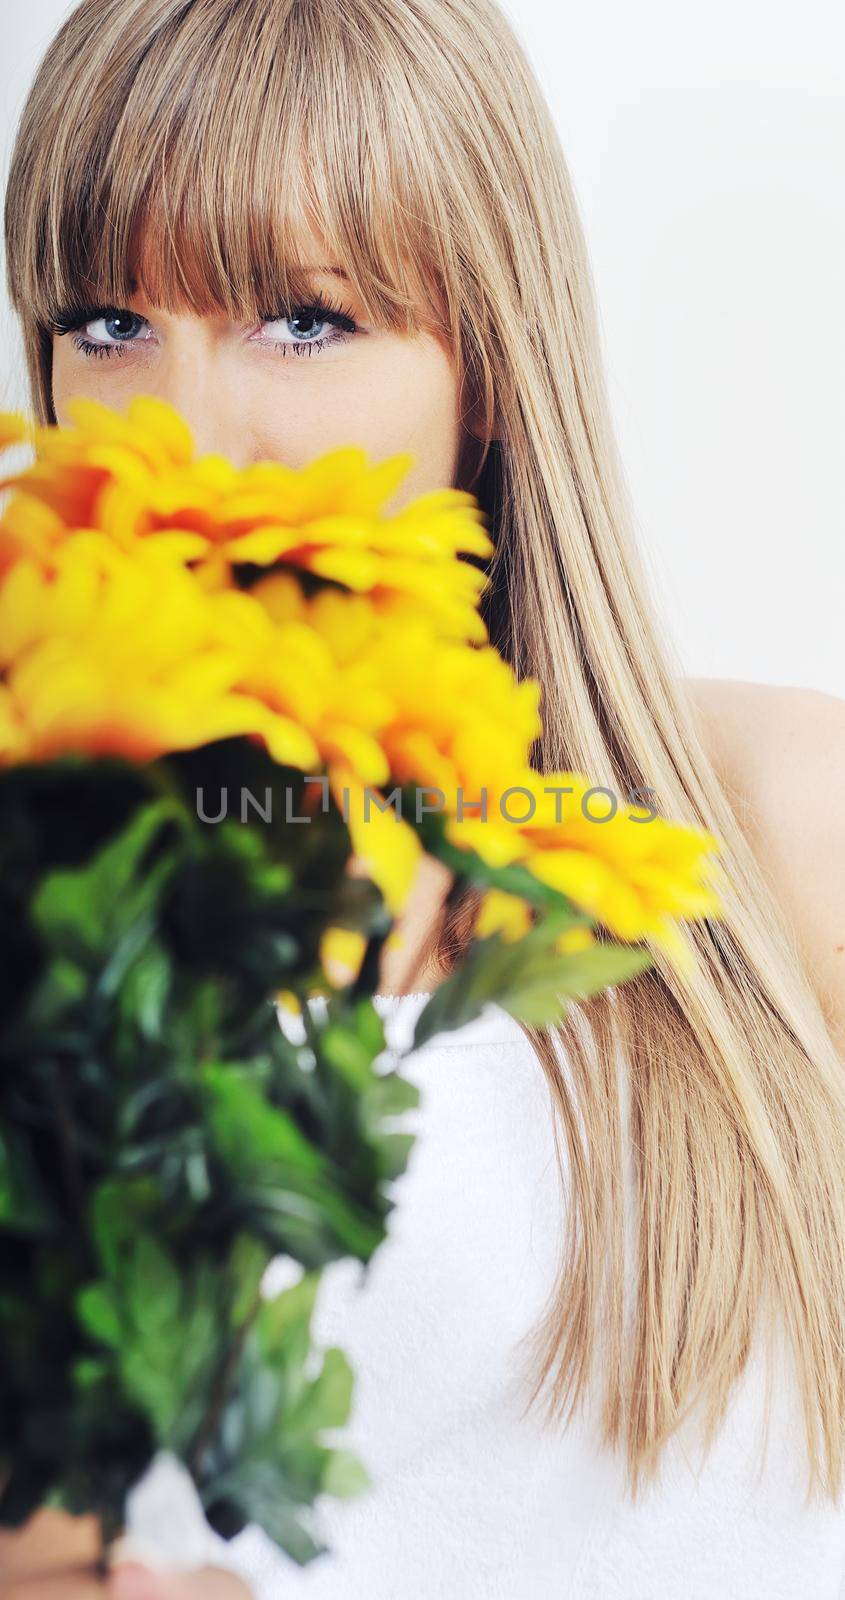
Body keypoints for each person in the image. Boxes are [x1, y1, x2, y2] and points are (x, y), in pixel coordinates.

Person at [2, 0, 844, 1594]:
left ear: (492, 374)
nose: (178, 429)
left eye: (303, 321)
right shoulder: (62, 921)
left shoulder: (780, 825)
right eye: (108, 322)